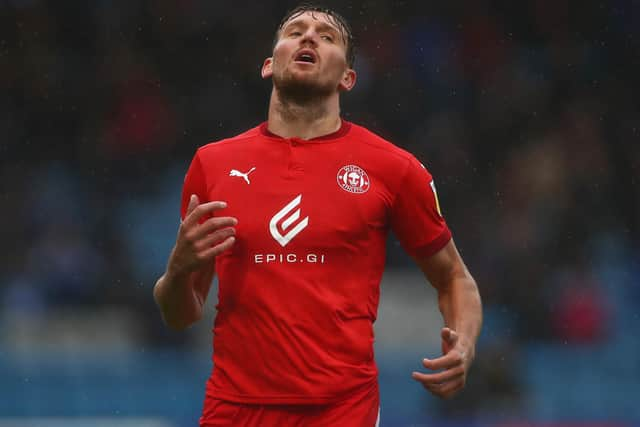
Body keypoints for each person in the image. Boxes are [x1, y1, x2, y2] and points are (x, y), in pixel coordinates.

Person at [153, 4, 482, 426]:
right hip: (235, 410)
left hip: (342, 409)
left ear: (348, 77)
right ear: (269, 65)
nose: (309, 37)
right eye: (296, 31)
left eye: (327, 37)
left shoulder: (392, 168)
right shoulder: (212, 164)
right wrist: (177, 271)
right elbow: (180, 315)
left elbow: (454, 277)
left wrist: (465, 343)